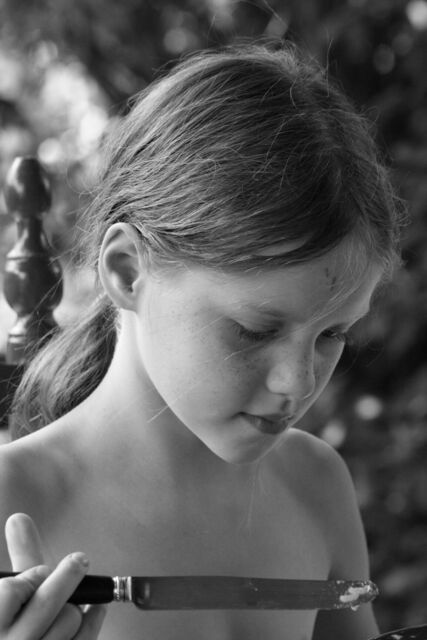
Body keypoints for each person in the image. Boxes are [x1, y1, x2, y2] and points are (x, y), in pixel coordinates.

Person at [0, 42, 402, 639]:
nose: (298, 383)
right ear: (127, 272)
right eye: (255, 330)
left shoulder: (315, 483)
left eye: (333, 333)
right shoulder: (12, 499)